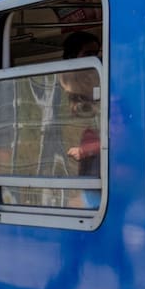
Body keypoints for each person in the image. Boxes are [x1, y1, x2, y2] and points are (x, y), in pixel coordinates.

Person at [60, 31, 102, 208]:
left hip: (97, 170)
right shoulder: (60, 90)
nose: (96, 59)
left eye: (97, 54)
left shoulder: (103, 87)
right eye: (88, 54)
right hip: (73, 170)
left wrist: (86, 150)